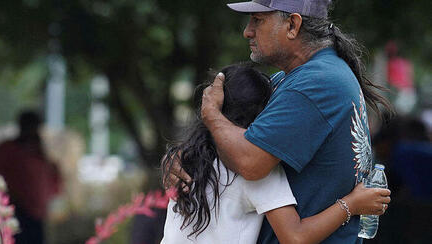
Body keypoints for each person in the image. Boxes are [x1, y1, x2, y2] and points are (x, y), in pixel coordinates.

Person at [164, 0, 394, 243]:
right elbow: (230, 136)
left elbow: (250, 163)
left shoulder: (315, 83)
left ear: (293, 25)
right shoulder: (296, 78)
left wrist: (211, 115)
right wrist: (178, 157)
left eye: (258, 20)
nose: (247, 31)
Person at [161, 64, 390, 243]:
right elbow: (295, 237)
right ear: (264, 117)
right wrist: (352, 204)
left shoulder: (186, 158)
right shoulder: (255, 169)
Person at [0, 111, 61, 244]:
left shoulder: (39, 152)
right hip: (16, 209)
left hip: (37, 212)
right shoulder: (9, 149)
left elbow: (53, 179)